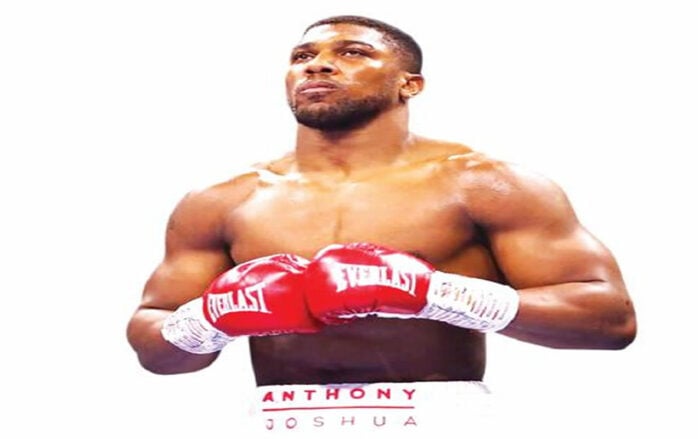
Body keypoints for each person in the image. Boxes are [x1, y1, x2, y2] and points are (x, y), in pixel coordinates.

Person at [126, 15, 637, 435]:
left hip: (437, 420)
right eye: (302, 57)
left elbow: (610, 320)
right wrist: (208, 320)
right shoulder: (223, 200)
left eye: (353, 52)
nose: (317, 64)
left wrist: (435, 294)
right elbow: (154, 348)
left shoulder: (482, 185)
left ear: (409, 84)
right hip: (277, 420)